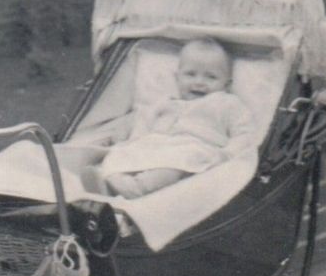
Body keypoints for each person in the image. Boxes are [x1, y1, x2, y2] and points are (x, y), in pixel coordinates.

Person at [82, 37, 255, 199]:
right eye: (190, 74)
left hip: (195, 148)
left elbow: (244, 133)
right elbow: (142, 119)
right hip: (156, 145)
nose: (199, 82)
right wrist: (127, 136)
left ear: (227, 84)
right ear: (177, 77)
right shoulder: (166, 102)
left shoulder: (227, 103)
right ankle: (108, 180)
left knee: (173, 167)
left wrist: (227, 154)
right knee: (119, 156)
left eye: (211, 77)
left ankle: (134, 188)